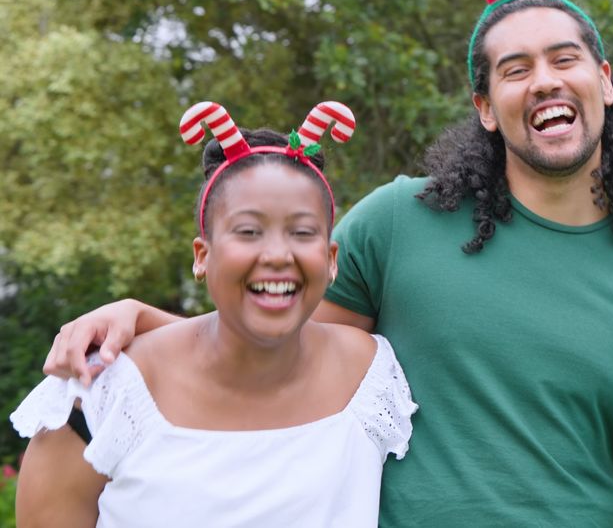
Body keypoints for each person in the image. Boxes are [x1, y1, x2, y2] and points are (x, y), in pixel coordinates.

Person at [39, 0, 613, 526]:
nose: (544, 80)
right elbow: (269, 350)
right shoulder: (401, 222)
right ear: (485, 108)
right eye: (515, 70)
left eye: (564, 59)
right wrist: (138, 316)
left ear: (603, 79)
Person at [12, 102, 417, 527]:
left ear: (331, 259)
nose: (277, 255)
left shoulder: (371, 378)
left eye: (302, 232)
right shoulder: (102, 392)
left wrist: (143, 314)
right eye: (248, 231)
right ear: (202, 256)